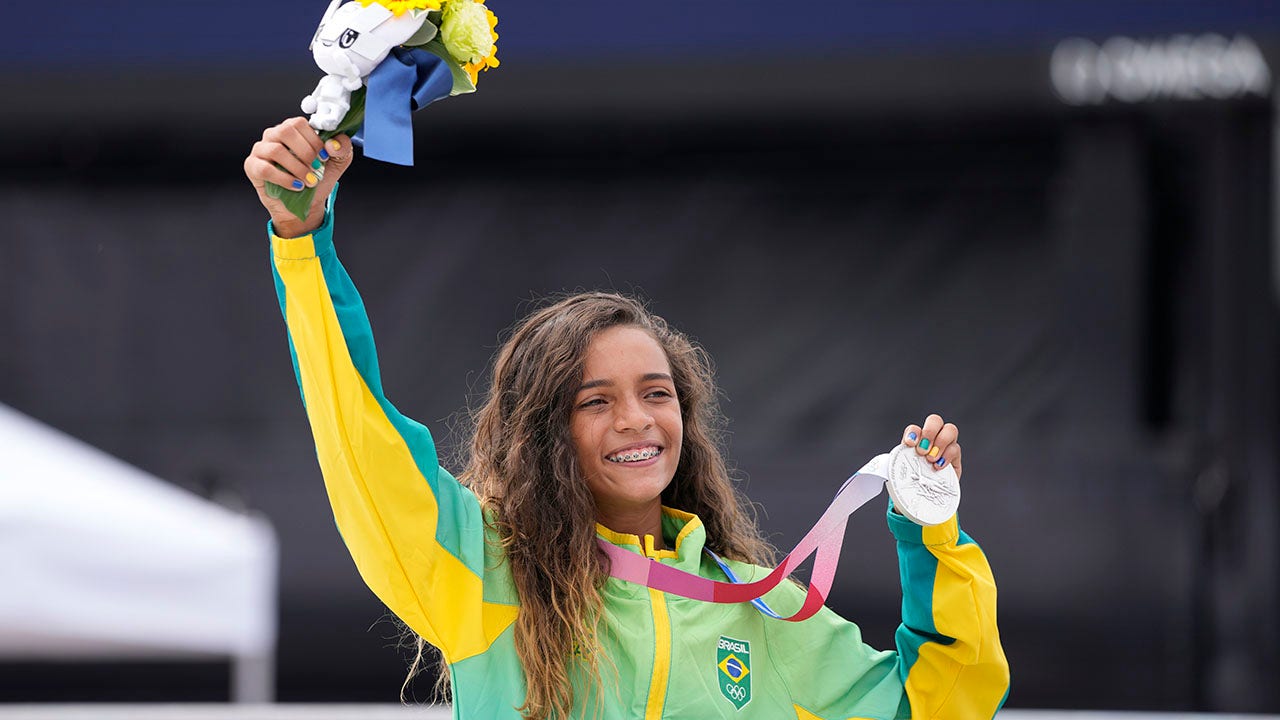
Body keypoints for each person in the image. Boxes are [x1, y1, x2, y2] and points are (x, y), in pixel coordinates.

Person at [244, 117, 1010, 720]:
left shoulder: (765, 609)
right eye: (595, 401)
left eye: (656, 393)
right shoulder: (482, 573)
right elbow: (363, 442)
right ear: (544, 434)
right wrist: (303, 246)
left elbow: (937, 706)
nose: (637, 420)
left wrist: (930, 536)